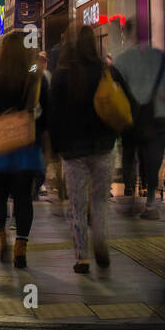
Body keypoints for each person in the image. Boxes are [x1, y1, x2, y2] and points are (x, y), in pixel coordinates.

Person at [49, 24, 129, 274]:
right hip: (103, 147)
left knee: (77, 204)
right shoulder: (106, 70)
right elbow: (125, 102)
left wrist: (56, 146)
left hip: (73, 151)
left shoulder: (62, 75)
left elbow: (53, 115)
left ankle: (82, 256)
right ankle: (100, 240)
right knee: (100, 200)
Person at [0, 32, 47, 269]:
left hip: (0, 145)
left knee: (0, 195)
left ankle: (2, 237)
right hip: (27, 145)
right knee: (24, 197)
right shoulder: (34, 75)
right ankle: (20, 247)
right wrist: (37, 129)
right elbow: (49, 108)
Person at [114, 19, 165, 218]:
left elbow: (115, 89)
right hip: (157, 117)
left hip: (131, 117)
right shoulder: (163, 59)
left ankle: (129, 197)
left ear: (129, 34)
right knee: (153, 159)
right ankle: (151, 203)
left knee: (129, 156)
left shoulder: (123, 60)